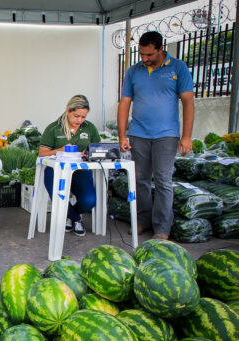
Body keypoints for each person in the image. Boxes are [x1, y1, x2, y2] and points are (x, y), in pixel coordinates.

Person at [118, 31, 194, 240]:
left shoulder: (178, 68)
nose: (144, 58)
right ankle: (143, 221)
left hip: (166, 135)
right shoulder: (133, 71)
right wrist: (122, 136)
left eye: (149, 54)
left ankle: (162, 228)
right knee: (140, 179)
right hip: (138, 133)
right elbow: (124, 103)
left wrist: (187, 136)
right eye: (141, 54)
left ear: (161, 49)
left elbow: (188, 102)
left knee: (163, 180)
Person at [38, 94, 101, 236]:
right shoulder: (54, 128)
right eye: (76, 116)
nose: (79, 120)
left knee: (89, 201)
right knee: (58, 197)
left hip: (80, 171)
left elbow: (98, 148)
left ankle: (70, 216)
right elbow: (41, 153)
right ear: (68, 111)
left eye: (83, 117)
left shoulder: (89, 128)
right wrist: (59, 150)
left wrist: (88, 153)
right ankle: (76, 219)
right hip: (56, 171)